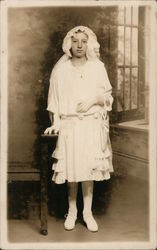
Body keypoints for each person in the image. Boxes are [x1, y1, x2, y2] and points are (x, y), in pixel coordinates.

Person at [44, 26, 114, 232]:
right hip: (70, 126)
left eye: (84, 41)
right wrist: (55, 123)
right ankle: (72, 211)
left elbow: (108, 98)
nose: (80, 45)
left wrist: (93, 100)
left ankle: (88, 213)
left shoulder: (97, 68)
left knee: (88, 169)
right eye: (76, 41)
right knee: (72, 169)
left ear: (89, 43)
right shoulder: (61, 71)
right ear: (69, 44)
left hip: (91, 126)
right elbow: (54, 102)